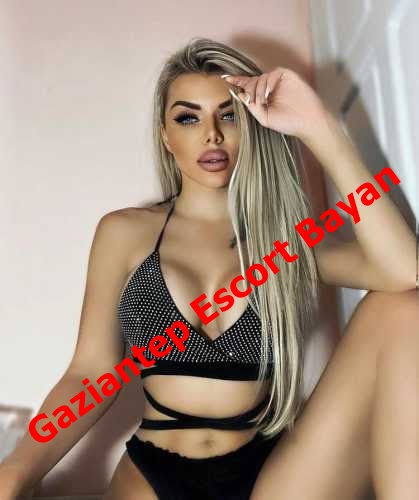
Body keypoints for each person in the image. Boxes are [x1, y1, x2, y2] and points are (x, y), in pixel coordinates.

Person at [0, 37, 416, 500]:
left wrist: (319, 128)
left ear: (252, 126)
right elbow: (91, 372)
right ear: (166, 135)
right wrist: (14, 472)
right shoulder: (125, 233)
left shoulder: (286, 242)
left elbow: (406, 272)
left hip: (268, 476)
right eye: (188, 118)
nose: (212, 134)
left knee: (404, 310)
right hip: (154, 474)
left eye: (229, 115)